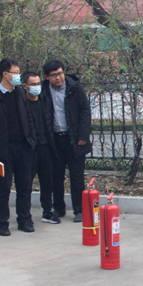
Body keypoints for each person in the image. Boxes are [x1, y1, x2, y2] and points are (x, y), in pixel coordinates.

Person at [0, 58, 36, 236]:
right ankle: (3, 223)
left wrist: (31, 139)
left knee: (25, 187)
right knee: (3, 189)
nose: (18, 76)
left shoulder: (20, 93)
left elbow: (28, 117)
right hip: (3, 150)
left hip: (23, 147)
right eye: (16, 73)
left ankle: (24, 219)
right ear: (5, 74)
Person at [41, 60, 92, 223]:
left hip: (74, 139)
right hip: (55, 139)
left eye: (60, 73)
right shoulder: (43, 90)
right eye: (54, 75)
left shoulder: (75, 87)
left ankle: (79, 210)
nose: (58, 78)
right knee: (56, 175)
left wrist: (83, 136)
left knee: (76, 176)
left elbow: (85, 111)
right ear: (47, 77)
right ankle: (59, 208)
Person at [22, 72, 61, 224]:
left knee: (47, 182)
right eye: (33, 84)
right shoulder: (21, 104)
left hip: (46, 146)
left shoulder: (44, 100)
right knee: (26, 184)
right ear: (25, 86)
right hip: (30, 148)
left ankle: (47, 211)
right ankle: (25, 215)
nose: (37, 87)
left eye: (38, 84)